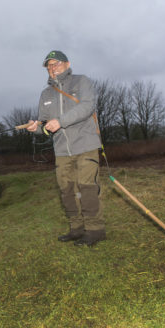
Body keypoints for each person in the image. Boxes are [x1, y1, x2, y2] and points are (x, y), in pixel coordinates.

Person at [26, 50, 106, 247]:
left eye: (56, 64)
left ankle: (95, 230)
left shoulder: (81, 82)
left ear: (67, 64)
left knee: (87, 188)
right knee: (67, 191)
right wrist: (35, 129)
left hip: (86, 145)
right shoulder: (45, 94)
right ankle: (76, 229)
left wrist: (60, 121)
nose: (53, 68)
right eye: (49, 66)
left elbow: (87, 107)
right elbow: (46, 127)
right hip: (61, 151)